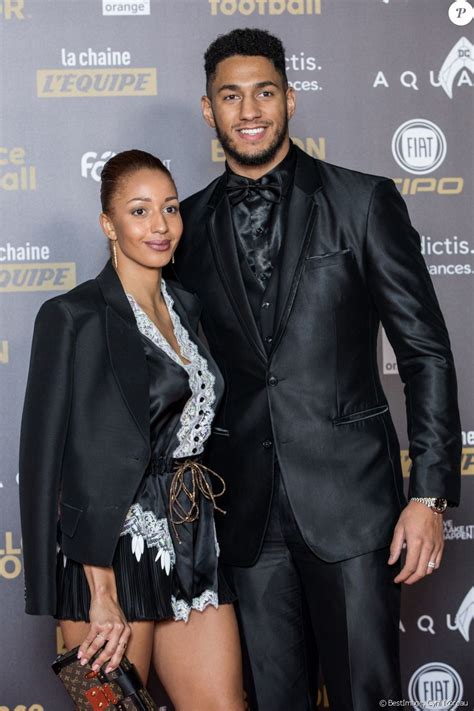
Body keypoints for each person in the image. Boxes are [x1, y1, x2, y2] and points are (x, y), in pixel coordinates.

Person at [170, 28, 462, 711]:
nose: (249, 110)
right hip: (242, 518)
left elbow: (425, 352)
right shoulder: (183, 227)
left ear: (291, 101)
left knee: (365, 693)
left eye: (264, 92)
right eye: (231, 96)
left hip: (354, 510)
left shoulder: (363, 202)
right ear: (208, 111)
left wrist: (430, 494)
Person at [19, 150, 244, 711]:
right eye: (140, 211)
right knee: (115, 709)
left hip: (195, 543)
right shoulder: (72, 315)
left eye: (169, 208)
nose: (161, 225)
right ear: (108, 225)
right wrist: (99, 591)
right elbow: (55, 463)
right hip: (107, 554)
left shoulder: (189, 309)